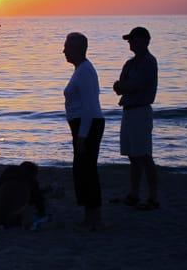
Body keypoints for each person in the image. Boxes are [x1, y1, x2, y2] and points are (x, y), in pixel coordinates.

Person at [113, 27, 159, 210]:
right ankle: (134, 194)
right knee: (133, 155)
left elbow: (132, 85)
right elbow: (120, 85)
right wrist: (124, 86)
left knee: (145, 155)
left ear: (144, 41)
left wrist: (124, 86)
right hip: (129, 111)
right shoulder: (130, 63)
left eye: (132, 39)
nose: (129, 43)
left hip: (140, 111)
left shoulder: (149, 62)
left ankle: (153, 197)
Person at [63, 32, 105, 230]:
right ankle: (90, 215)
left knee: (86, 170)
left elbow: (89, 106)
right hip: (82, 125)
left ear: (78, 48)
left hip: (87, 125)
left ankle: (94, 218)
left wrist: (82, 135)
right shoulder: (80, 69)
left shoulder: (85, 70)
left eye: (67, 47)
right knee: (82, 170)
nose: (64, 50)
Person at [0, 161, 46, 229]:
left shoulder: (9, 170)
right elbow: (38, 199)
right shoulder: (31, 178)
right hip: (16, 207)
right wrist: (42, 212)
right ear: (33, 173)